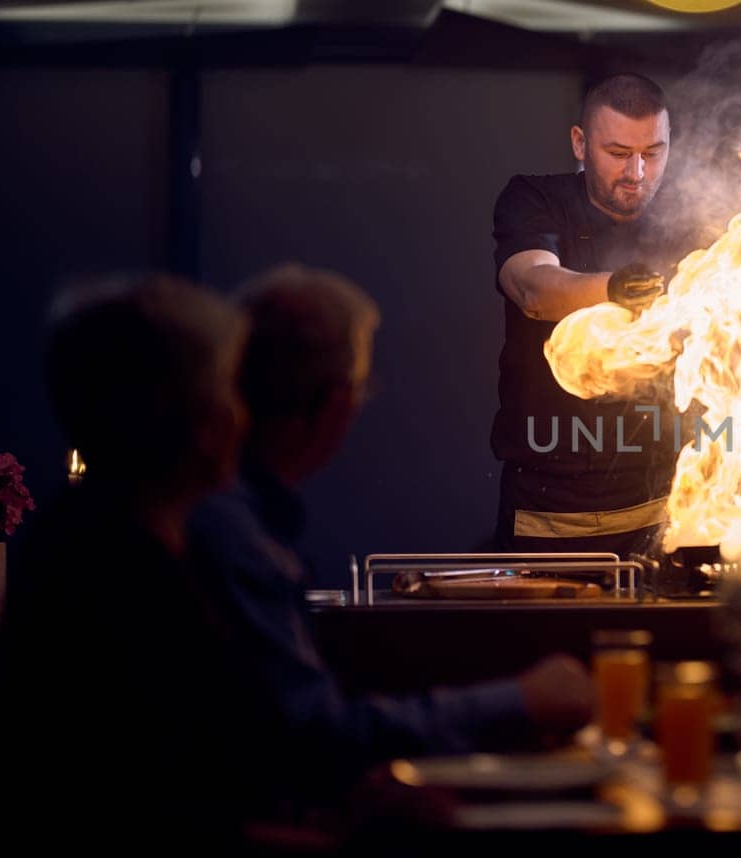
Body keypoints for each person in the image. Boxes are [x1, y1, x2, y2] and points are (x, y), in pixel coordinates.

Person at [188, 264, 592, 807]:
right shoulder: (230, 534)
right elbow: (313, 735)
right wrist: (520, 701)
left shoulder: (224, 515)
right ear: (336, 407)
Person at [0, 274, 263, 845]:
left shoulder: (88, 537)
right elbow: (165, 811)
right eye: (229, 389)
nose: (243, 415)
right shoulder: (119, 573)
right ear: (195, 418)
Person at [490, 72, 685, 557]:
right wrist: (613, 289)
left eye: (652, 153)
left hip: (667, 508)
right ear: (580, 143)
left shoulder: (691, 218)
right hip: (548, 514)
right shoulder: (535, 200)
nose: (636, 172)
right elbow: (532, 287)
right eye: (618, 154)